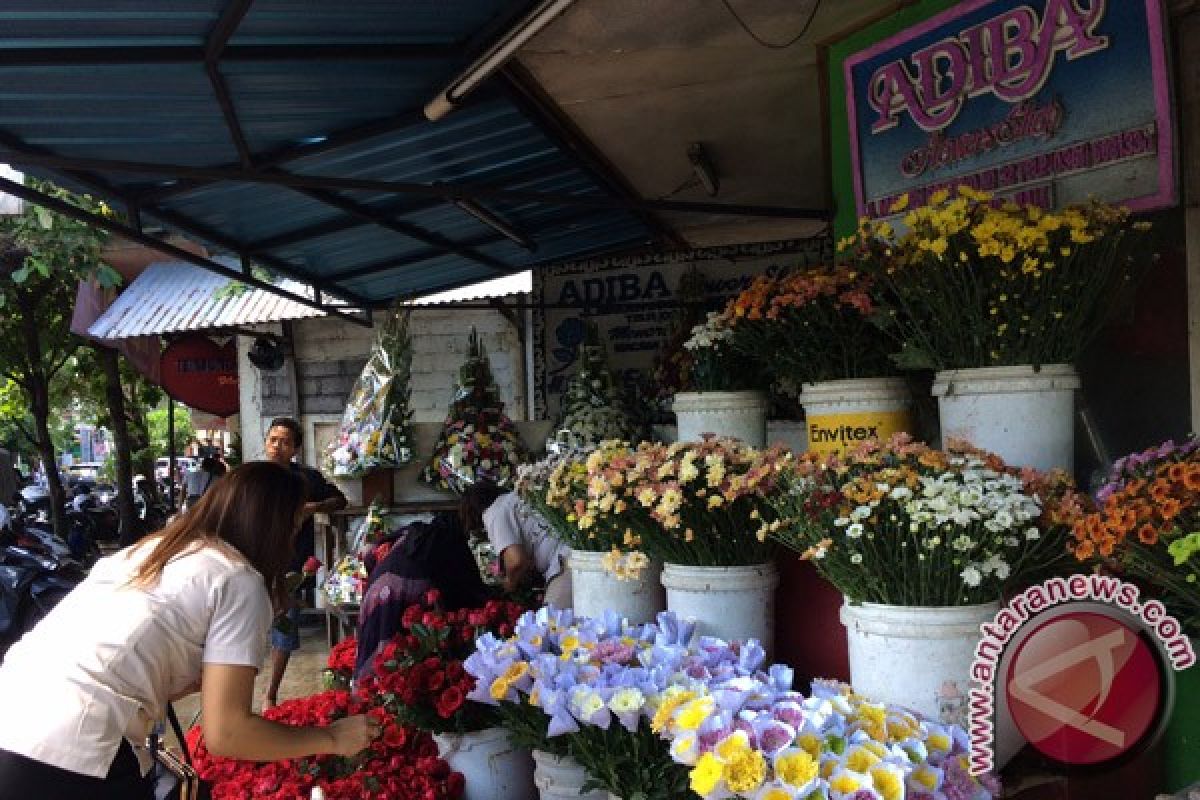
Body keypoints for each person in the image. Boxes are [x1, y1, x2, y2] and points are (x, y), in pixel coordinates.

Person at [0, 461, 380, 799]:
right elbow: (227, 733)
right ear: (273, 525)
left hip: (15, 708)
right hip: (70, 745)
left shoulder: (154, 550)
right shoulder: (237, 579)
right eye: (295, 524)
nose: (292, 539)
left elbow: (134, 647)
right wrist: (332, 738)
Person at [262, 417, 347, 709]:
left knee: (283, 629)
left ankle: (270, 693)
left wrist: (314, 507)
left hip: (291, 568)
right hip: (255, 564)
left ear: (295, 448)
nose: (277, 447)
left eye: (284, 442)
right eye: (273, 440)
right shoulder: (253, 477)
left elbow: (340, 500)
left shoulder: (306, 480)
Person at [353, 511, 488, 681]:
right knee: (389, 656)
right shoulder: (449, 541)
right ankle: (380, 693)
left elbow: (370, 554)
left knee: (376, 645)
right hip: (402, 588)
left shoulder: (414, 534)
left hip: (379, 584)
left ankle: (367, 694)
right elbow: (465, 586)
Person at [463, 483, 573, 610]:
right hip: (574, 552)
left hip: (564, 562)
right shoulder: (514, 499)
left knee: (553, 622)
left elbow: (517, 561)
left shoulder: (493, 512)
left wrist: (509, 583)